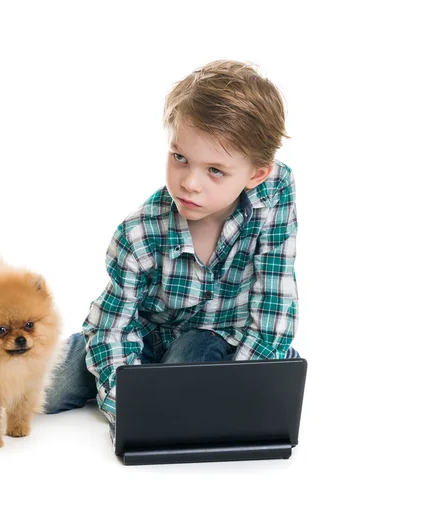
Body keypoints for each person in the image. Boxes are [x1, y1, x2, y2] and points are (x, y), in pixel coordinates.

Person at [45, 60, 300, 443]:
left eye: (215, 170)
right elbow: (115, 327)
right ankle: (79, 367)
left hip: (215, 333)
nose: (189, 183)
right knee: (55, 386)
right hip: (139, 331)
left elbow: (275, 298)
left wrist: (250, 388)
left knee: (188, 365)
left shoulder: (275, 191)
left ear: (256, 174)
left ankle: (167, 381)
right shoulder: (139, 233)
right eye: (180, 157)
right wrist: (130, 408)